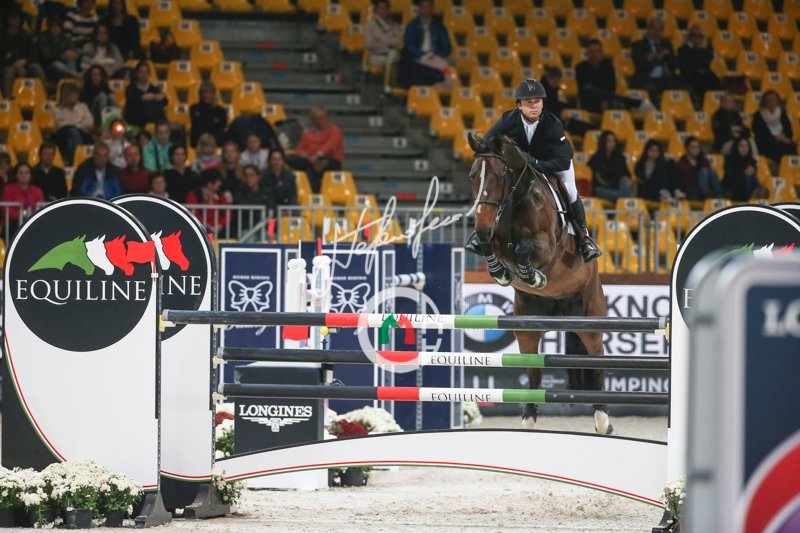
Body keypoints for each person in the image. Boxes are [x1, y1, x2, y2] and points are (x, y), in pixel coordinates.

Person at [467, 79, 602, 262]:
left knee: (570, 191)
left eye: (537, 101)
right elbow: (489, 141)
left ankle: (584, 238)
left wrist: (537, 164)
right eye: (528, 102)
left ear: (543, 103)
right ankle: (484, 233)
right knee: (502, 184)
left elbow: (562, 161)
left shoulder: (552, 124)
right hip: (523, 164)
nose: (533, 106)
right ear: (519, 105)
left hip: (552, 163)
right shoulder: (509, 119)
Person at [576, 39, 646, 113]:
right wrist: (601, 99)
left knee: (613, 102)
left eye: (597, 51)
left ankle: (628, 104)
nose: (595, 55)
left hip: (607, 100)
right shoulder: (580, 67)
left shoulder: (608, 66)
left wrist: (605, 99)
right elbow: (583, 89)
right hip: (589, 101)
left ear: (602, 52)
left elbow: (612, 87)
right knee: (589, 89)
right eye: (592, 52)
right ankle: (630, 102)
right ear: (587, 53)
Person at [285, 106, 344, 193]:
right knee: (289, 158)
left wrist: (317, 155)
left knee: (311, 167)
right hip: (309, 159)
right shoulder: (307, 134)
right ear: (312, 120)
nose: (320, 120)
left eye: (322, 117)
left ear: (327, 118)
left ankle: (313, 193)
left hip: (329, 160)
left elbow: (330, 146)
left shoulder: (334, 130)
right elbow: (299, 150)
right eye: (316, 118)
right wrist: (305, 155)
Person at [397, 0, 454, 88]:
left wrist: (434, 55)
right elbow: (409, 46)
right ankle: (444, 86)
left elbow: (447, 47)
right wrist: (423, 55)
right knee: (441, 66)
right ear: (419, 9)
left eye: (429, 7)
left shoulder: (440, 27)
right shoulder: (412, 26)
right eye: (424, 7)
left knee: (445, 63)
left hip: (435, 57)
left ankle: (447, 89)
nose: (426, 10)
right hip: (418, 57)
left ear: (432, 9)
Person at [632, 16, 679, 102]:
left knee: (683, 89)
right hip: (646, 79)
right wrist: (653, 59)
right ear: (648, 28)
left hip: (665, 79)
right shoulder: (638, 45)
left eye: (660, 29)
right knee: (652, 90)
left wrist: (667, 57)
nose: (657, 31)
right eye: (654, 28)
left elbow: (674, 64)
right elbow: (640, 66)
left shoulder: (667, 45)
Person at [1, 10, 46, 99]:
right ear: (8, 19)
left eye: (17, 18)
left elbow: (34, 54)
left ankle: (44, 95)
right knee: (10, 71)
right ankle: (8, 98)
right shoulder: (2, 35)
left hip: (24, 65)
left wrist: (25, 61)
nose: (15, 20)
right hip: (6, 66)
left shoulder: (26, 35)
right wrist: (14, 64)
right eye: (12, 18)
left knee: (36, 68)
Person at [54, 83, 95, 167]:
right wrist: (79, 122)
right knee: (72, 133)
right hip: (64, 136)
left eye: (76, 95)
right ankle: (79, 160)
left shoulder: (83, 107)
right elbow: (60, 125)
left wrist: (73, 124)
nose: (75, 97)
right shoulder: (58, 110)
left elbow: (90, 123)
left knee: (73, 135)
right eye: (72, 95)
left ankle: (73, 162)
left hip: (83, 135)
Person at [752, 90, 798, 164]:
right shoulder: (758, 115)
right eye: (768, 100)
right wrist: (775, 138)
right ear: (764, 101)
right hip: (766, 144)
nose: (771, 102)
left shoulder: (782, 113)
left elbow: (788, 129)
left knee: (792, 146)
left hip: (783, 140)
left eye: (773, 100)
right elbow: (759, 134)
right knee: (779, 147)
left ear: (777, 101)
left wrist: (784, 137)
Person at [588, 131, 633, 202]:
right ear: (603, 142)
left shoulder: (620, 157)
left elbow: (626, 173)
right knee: (628, 195)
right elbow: (597, 179)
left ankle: (623, 199)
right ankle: (625, 199)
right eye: (609, 141)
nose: (612, 144)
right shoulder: (596, 158)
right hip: (603, 188)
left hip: (617, 188)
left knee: (626, 184)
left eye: (613, 141)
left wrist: (625, 177)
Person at [677, 25, 720, 100]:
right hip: (691, 77)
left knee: (715, 82)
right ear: (690, 37)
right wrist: (689, 46)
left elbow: (705, 61)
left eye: (699, 35)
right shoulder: (683, 49)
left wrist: (696, 51)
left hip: (705, 75)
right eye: (694, 35)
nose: (697, 38)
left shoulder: (708, 49)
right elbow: (689, 65)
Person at [675, 136, 722, 201]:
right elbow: (684, 183)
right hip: (690, 190)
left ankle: (720, 195)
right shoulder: (682, 163)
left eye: (698, 147)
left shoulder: (702, 160)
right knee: (703, 172)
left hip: (706, 188)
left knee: (712, 171)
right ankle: (707, 196)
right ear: (686, 148)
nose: (696, 150)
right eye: (693, 147)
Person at [36, 14, 80, 83]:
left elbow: (73, 50)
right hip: (49, 66)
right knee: (57, 64)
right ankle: (73, 76)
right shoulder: (43, 38)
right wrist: (61, 56)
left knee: (71, 59)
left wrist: (73, 54)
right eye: (53, 26)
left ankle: (72, 80)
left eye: (58, 26)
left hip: (65, 63)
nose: (56, 28)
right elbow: (46, 56)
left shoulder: (66, 38)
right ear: (49, 27)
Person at [185, 168, 231, 235]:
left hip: (220, 232)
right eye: (218, 181)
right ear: (209, 183)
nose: (220, 183)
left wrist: (220, 225)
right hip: (199, 232)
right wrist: (208, 227)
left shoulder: (220, 194)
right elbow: (193, 214)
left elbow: (228, 213)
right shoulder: (193, 194)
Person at [2, 163, 44, 235]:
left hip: (33, 223)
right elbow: (6, 211)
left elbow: (40, 209)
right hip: (12, 225)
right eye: (21, 173)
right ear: (16, 175)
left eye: (27, 173)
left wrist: (28, 216)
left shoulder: (37, 191)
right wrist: (22, 215)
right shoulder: (8, 189)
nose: (24, 175)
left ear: (31, 175)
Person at [124, 60, 167, 128]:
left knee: (157, 102)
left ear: (149, 74)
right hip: (136, 120)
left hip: (153, 118)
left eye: (146, 72)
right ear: (137, 73)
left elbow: (165, 102)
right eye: (141, 72)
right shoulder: (130, 88)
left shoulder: (153, 88)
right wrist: (142, 97)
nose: (144, 75)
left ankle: (161, 125)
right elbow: (130, 101)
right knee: (147, 102)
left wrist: (160, 97)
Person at [365, 0, 403, 70]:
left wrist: (380, 39)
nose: (382, 11)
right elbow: (370, 44)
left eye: (385, 8)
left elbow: (397, 41)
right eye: (380, 8)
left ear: (389, 10)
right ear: (376, 10)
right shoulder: (370, 25)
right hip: (377, 56)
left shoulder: (395, 26)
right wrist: (390, 43)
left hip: (394, 55)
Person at [723, 136, 763, 201]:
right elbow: (729, 178)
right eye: (741, 146)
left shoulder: (752, 161)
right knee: (746, 176)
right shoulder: (729, 159)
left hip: (748, 186)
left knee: (752, 177)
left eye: (746, 146)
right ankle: (752, 198)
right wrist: (743, 172)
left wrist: (752, 171)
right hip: (733, 187)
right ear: (736, 147)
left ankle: (759, 193)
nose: (744, 148)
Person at [189, 81, 227, 147]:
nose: (206, 95)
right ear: (200, 94)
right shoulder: (194, 108)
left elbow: (222, 126)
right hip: (198, 143)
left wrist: (213, 109)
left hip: (216, 143)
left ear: (213, 94)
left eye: (209, 92)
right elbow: (198, 125)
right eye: (204, 92)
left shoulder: (220, 110)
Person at [262, 149, 297, 214]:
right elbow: (266, 196)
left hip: (287, 210)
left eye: (279, 159)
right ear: (269, 161)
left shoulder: (290, 176)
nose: (277, 162)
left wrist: (289, 209)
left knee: (297, 218)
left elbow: (293, 195)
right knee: (270, 221)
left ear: (283, 160)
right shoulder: (264, 176)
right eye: (274, 159)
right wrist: (277, 211)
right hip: (271, 211)